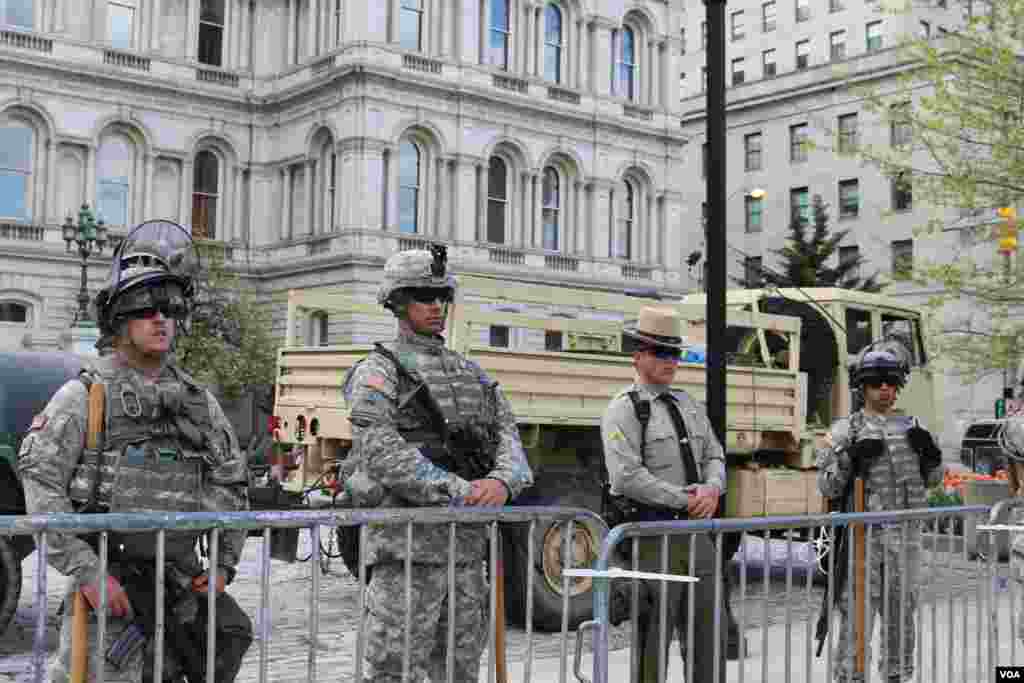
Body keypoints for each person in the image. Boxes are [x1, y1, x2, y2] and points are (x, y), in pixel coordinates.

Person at [17, 220, 253, 683]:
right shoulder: (84, 396)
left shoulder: (198, 402)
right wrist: (87, 572)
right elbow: (42, 485)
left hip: (183, 593)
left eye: (170, 306)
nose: (161, 318)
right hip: (110, 595)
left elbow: (230, 482)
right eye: (146, 308)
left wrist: (223, 564)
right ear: (120, 321)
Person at [343, 245, 534, 683]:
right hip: (406, 558)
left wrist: (502, 483)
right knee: (396, 674)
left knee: (460, 672)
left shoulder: (471, 372)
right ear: (397, 302)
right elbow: (379, 449)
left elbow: (508, 437)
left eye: (441, 298)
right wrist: (459, 490)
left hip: (465, 559)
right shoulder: (378, 370)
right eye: (424, 298)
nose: (436, 308)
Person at [600, 306, 727, 683]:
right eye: (660, 352)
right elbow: (625, 477)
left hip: (698, 539)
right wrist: (686, 499)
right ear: (637, 356)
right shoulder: (624, 409)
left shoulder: (688, 405)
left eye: (675, 353)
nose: (671, 361)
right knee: (651, 647)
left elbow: (715, 455)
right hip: (653, 538)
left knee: (708, 640)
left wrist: (712, 488)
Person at [816, 340, 944, 683]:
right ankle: (850, 678)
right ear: (862, 386)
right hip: (862, 540)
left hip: (906, 537)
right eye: (876, 382)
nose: (884, 388)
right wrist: (849, 459)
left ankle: (897, 676)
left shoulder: (914, 425)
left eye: (890, 381)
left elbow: (932, 482)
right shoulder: (846, 430)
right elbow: (827, 487)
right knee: (857, 619)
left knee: (901, 617)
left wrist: (930, 455)